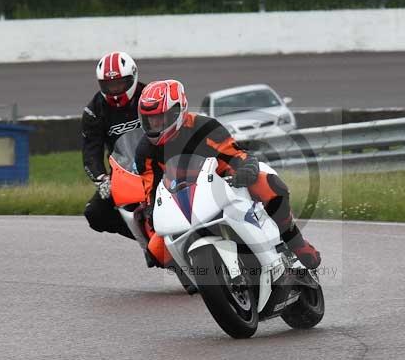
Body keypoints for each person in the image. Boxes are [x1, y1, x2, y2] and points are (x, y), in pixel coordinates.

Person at [134, 79, 321, 270]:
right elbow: (150, 188)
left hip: (223, 183)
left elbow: (234, 153)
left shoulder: (204, 127)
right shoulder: (145, 150)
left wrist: (246, 166)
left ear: (177, 111)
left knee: (270, 186)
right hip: (182, 197)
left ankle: (297, 244)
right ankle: (198, 275)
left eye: (160, 118)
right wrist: (150, 210)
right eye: (150, 119)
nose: (155, 124)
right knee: (157, 252)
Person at [81, 51, 147, 239]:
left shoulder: (150, 96)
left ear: (133, 77)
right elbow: (90, 152)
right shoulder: (94, 111)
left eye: (119, 83)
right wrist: (102, 179)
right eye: (109, 85)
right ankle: (144, 238)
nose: (115, 90)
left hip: (157, 164)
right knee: (95, 214)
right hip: (123, 174)